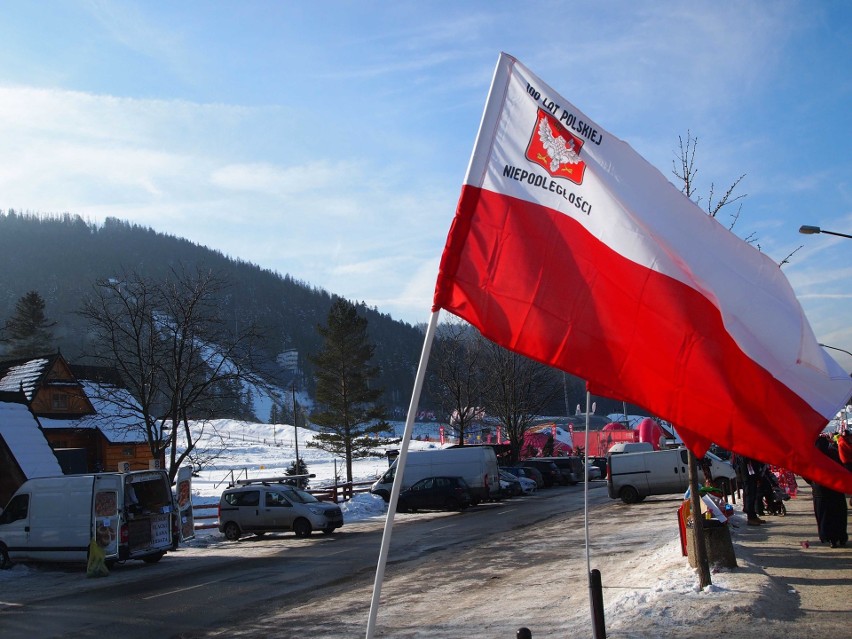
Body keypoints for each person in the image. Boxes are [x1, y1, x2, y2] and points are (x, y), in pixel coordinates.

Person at [808, 436, 848, 548]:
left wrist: (813, 483)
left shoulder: (813, 457)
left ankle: (830, 539)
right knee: (838, 515)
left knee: (825, 517)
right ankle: (841, 537)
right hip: (835, 489)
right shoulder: (834, 455)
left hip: (820, 492)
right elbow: (842, 469)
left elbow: (806, 473)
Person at [736, 454, 766, 525]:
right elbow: (744, 462)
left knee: (753, 496)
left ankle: (753, 516)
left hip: (752, 475)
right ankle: (750, 518)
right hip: (747, 476)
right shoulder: (741, 453)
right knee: (749, 496)